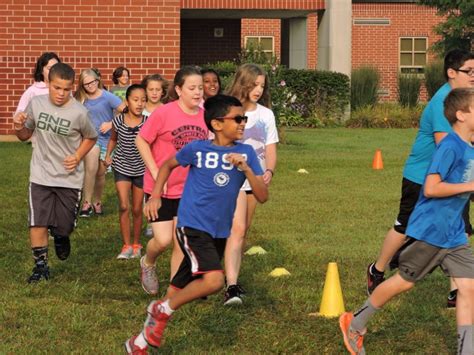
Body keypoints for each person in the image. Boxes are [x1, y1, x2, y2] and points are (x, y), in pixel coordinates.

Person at [125, 94, 268, 353]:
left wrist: (246, 169)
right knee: (214, 281)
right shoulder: (197, 149)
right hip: (192, 226)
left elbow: (262, 196)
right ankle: (161, 309)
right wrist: (156, 195)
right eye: (237, 119)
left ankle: (139, 342)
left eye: (244, 118)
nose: (242, 123)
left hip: (218, 232)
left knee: (174, 292)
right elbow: (167, 165)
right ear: (216, 124)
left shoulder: (245, 152)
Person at [340, 87, 474, 355]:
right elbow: (432, 188)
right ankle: (355, 324)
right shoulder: (449, 146)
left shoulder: (469, 147)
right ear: (461, 115)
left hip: (454, 232)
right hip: (431, 230)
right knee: (404, 282)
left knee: (469, 287)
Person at [366, 49, 474, 308]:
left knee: (459, 228)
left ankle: (456, 292)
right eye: (469, 71)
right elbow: (445, 144)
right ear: (451, 72)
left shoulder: (464, 100)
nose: (473, 76)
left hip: (453, 179)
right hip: (422, 178)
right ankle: (377, 270)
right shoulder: (442, 103)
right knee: (404, 228)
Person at [12, 63, 97, 283]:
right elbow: (24, 135)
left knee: (65, 225)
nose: (61, 94)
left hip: (69, 178)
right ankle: (40, 267)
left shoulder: (79, 112)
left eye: (66, 89)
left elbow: (91, 137)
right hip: (40, 174)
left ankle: (61, 236)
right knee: (37, 222)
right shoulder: (36, 103)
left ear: (71, 88)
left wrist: (77, 156)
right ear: (48, 84)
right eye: (56, 88)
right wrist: (19, 125)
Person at [136, 66, 208, 296]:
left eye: (200, 87)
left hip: (188, 189)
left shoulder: (206, 114)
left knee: (180, 241)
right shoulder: (164, 113)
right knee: (163, 240)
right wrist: (156, 170)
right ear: (178, 90)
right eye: (192, 88)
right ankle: (148, 263)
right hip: (161, 188)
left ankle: (174, 290)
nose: (197, 92)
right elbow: (141, 141)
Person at [223, 63, 278, 305]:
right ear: (243, 83)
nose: (258, 90)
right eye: (254, 84)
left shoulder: (265, 115)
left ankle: (230, 277)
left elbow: (270, 147)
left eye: (262, 86)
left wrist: (269, 171)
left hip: (253, 180)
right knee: (233, 229)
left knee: (243, 230)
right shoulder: (227, 110)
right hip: (230, 179)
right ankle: (228, 283)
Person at [75, 68, 126, 217]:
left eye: (93, 82)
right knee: (90, 167)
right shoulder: (79, 99)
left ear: (98, 81)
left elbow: (127, 112)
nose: (90, 86)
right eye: (86, 84)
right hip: (90, 139)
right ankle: (86, 203)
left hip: (107, 140)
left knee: (100, 173)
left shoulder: (108, 97)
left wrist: (111, 123)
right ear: (82, 85)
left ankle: (97, 202)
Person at [105, 84, 147, 259]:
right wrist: (108, 155)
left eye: (143, 100)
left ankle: (136, 244)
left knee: (137, 209)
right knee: (124, 205)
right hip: (121, 166)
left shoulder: (148, 122)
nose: (139, 104)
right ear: (127, 101)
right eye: (135, 100)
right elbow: (113, 139)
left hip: (141, 168)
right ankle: (126, 246)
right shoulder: (118, 121)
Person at [140, 73, 169, 238]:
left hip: (160, 156)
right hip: (141, 156)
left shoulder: (166, 110)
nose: (154, 93)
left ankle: (158, 219)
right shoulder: (140, 110)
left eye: (158, 89)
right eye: (151, 89)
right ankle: (149, 219)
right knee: (146, 190)